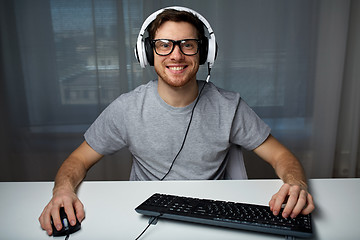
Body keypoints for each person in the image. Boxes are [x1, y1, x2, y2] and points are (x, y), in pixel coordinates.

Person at [39, 7, 315, 236]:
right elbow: (77, 160)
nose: (176, 55)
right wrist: (62, 192)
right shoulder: (126, 108)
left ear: (204, 53)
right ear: (147, 54)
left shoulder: (229, 106)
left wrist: (296, 184)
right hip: (146, 219)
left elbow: (281, 155)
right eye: (163, 45)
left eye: (188, 45)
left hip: (210, 218)